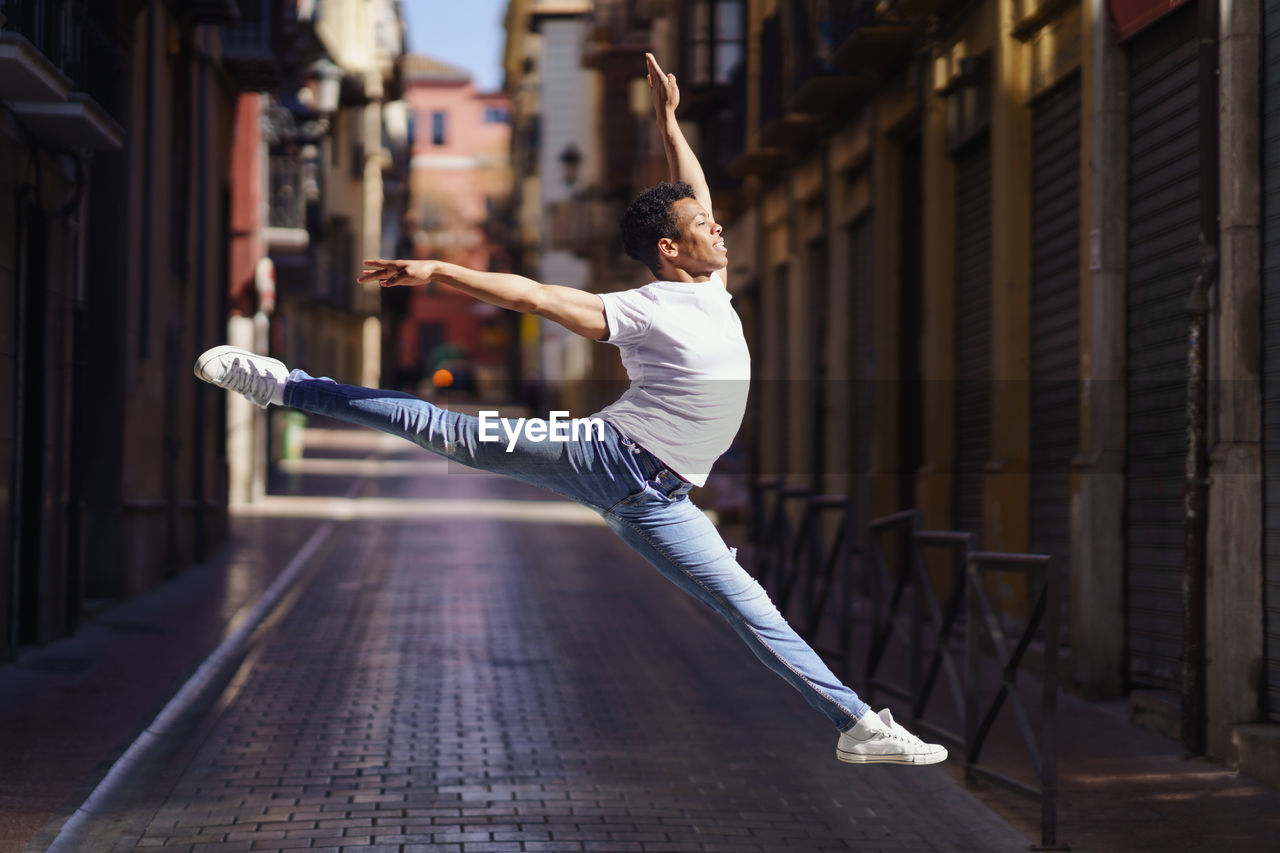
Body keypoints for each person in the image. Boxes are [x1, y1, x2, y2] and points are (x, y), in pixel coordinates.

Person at [195, 53, 945, 766]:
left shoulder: (709, 284)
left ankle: (856, 726)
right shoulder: (647, 309)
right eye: (700, 227)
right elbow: (539, 296)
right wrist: (438, 270)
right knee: (446, 428)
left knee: (755, 610)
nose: (717, 226)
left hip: (664, 502)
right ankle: (287, 386)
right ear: (669, 249)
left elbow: (696, 189)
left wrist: (668, 121)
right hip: (604, 452)